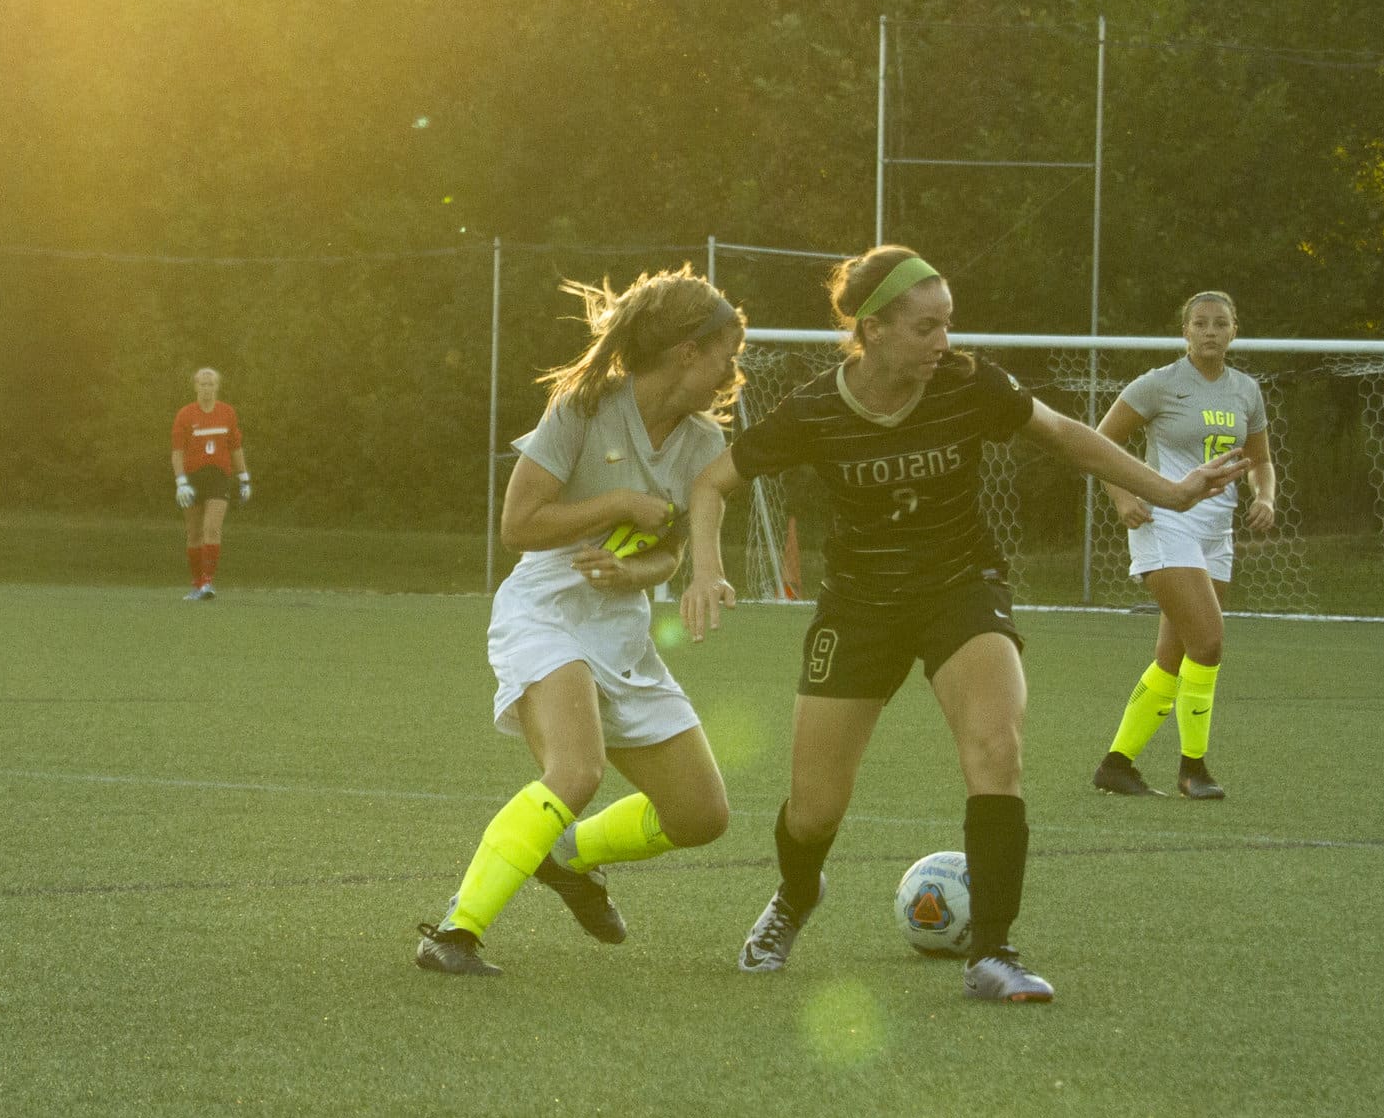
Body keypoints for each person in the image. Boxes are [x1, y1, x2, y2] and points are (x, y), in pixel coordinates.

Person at [683, 247, 1250, 1005]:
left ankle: (992, 953)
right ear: (874, 330)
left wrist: (1171, 493)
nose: (944, 341)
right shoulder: (816, 409)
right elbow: (712, 481)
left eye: (948, 323)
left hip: (960, 585)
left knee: (996, 745)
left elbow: (1065, 434)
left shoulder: (969, 383)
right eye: (926, 327)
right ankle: (795, 893)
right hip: (860, 604)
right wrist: (703, 568)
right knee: (814, 809)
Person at [414, 269, 745, 977]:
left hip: (621, 629)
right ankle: (454, 931)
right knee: (577, 770)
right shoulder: (584, 405)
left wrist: (641, 573)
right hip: (546, 612)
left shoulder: (704, 441)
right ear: (686, 352)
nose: (732, 370)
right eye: (724, 353)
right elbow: (518, 524)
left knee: (701, 816)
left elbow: (669, 553)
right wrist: (619, 501)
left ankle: (567, 856)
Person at [1089, 289, 1275, 802]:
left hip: (1216, 534)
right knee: (1209, 642)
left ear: (1234, 330)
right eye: (1200, 324)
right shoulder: (1160, 385)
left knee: (1176, 654)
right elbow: (1099, 443)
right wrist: (1123, 496)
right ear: (1185, 333)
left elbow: (1261, 459)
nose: (1210, 331)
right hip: (1165, 522)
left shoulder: (1246, 391)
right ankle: (1193, 768)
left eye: (1220, 323)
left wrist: (1266, 496)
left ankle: (1116, 764)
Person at [170, 368, 250, 601]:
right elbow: (177, 452)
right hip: (193, 479)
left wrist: (244, 478)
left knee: (212, 528)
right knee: (194, 533)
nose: (207, 388)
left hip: (218, 477)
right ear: (196, 387)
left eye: (211, 384)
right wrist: (181, 481)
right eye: (202, 384)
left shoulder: (227, 413)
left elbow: (235, 447)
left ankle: (207, 583)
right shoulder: (185, 415)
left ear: (217, 387)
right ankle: (196, 584)